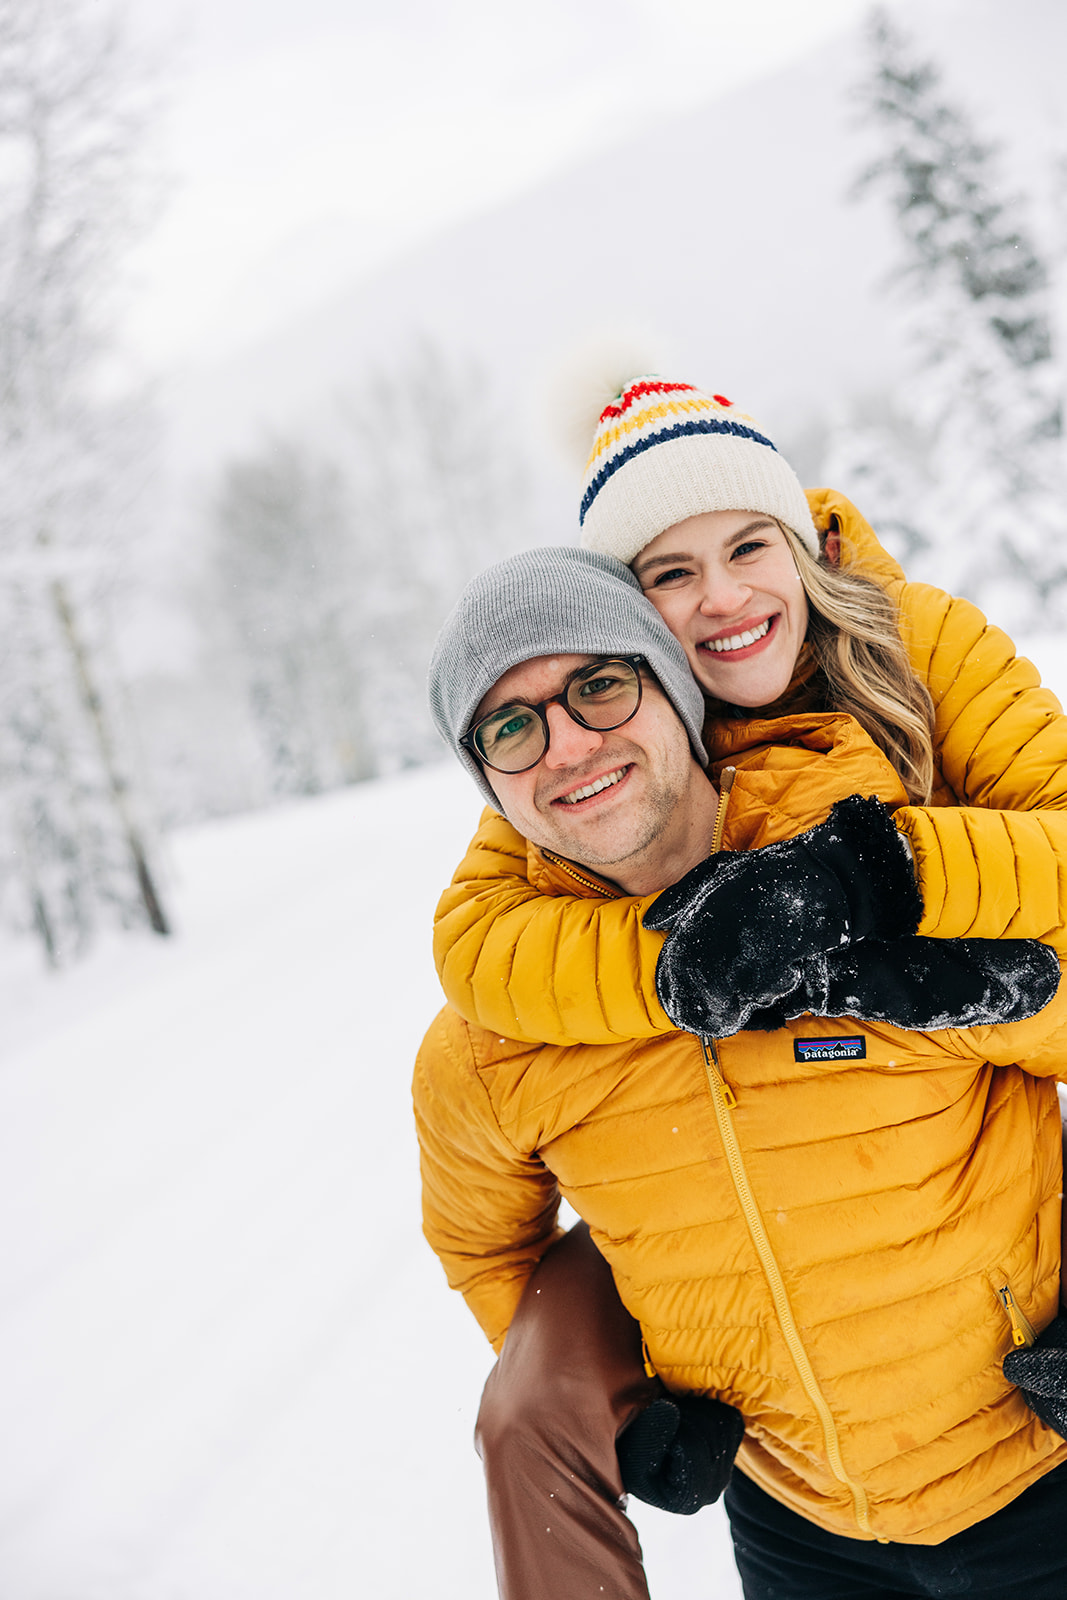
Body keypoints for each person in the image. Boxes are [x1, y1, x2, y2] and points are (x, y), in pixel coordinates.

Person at [414, 542, 1067, 1600]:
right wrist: (624, 1409)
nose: (567, 744)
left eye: (598, 685)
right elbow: (483, 1242)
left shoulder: (860, 874)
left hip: (1036, 1481)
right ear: (488, 779)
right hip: (797, 1534)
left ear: (675, 691)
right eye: (510, 725)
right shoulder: (491, 1039)